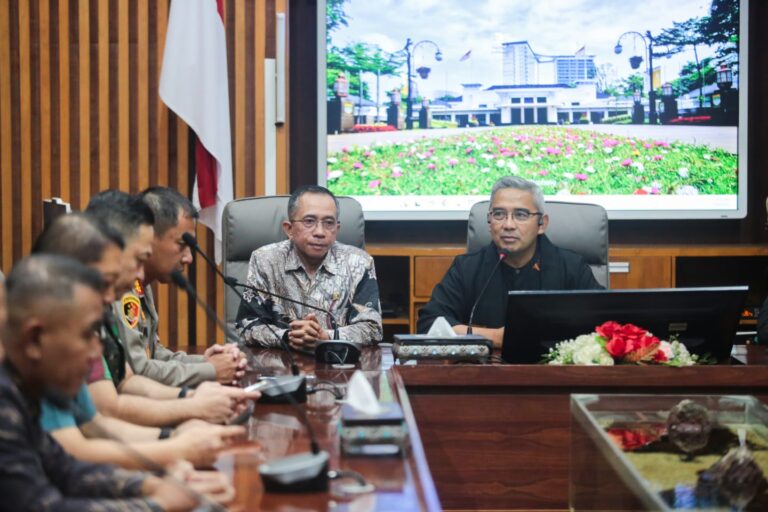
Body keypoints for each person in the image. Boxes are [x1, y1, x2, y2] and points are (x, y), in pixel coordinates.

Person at [0, 254, 232, 511]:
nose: (95, 354)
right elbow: (43, 506)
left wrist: (152, 486)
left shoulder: (22, 388)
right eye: (88, 335)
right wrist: (156, 504)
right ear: (34, 339)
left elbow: (66, 470)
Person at [32, 214, 252, 469]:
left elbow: (101, 414)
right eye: (134, 261)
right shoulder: (48, 341)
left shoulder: (87, 315)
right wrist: (179, 437)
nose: (139, 273)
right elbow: (87, 436)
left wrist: (180, 428)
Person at [86, 191, 252, 426]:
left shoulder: (133, 281)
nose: (189, 258)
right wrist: (207, 376)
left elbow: (146, 357)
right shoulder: (109, 293)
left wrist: (202, 366)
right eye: (181, 245)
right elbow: (133, 377)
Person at [417, 175, 602, 347]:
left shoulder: (570, 267)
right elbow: (430, 324)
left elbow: (604, 325)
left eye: (520, 215)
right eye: (499, 214)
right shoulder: (467, 269)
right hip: (482, 376)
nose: (508, 225)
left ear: (542, 224)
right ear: (489, 221)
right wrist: (497, 337)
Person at [115, 187, 246, 387]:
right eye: (181, 245)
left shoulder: (141, 284)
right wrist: (210, 370)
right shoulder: (120, 286)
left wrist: (207, 362)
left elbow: (154, 353)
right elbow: (139, 370)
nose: (188, 258)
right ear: (149, 238)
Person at [236, 185, 382, 349]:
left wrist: (326, 336)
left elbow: (372, 328)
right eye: (309, 221)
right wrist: (288, 336)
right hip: (282, 365)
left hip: (339, 364)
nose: (320, 232)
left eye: (328, 223)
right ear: (289, 229)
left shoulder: (359, 262)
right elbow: (247, 326)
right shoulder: (265, 260)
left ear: (337, 229)